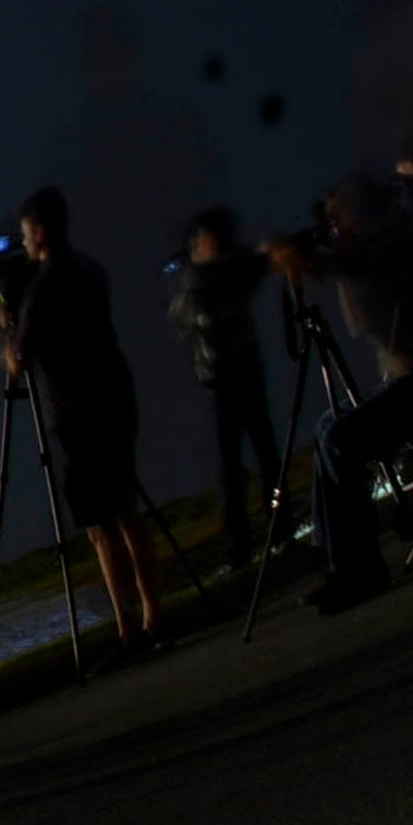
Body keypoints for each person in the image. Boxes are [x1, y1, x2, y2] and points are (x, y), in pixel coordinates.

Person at [5, 186, 161, 648]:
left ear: (40, 230)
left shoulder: (43, 287)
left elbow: (21, 361)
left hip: (76, 415)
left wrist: (6, 333)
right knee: (129, 511)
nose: (24, 241)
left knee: (100, 525)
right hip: (117, 398)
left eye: (25, 233)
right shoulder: (91, 269)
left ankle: (127, 627)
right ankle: (154, 614)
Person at [272, 169, 413, 616]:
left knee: (341, 437)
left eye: (339, 220)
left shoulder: (399, 243)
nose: (335, 230)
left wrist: (315, 256)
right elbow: (354, 301)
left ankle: (362, 570)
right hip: (406, 383)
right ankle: (342, 566)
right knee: (327, 427)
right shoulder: (377, 250)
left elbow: (354, 262)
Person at [166, 206, 280, 569]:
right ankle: (249, 544)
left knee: (259, 458)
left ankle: (267, 537)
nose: (196, 244)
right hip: (225, 379)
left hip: (237, 374)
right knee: (239, 464)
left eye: (202, 237)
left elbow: (188, 315)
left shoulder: (218, 273)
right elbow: (181, 321)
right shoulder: (206, 277)